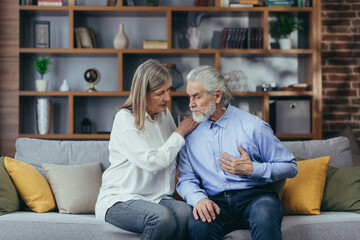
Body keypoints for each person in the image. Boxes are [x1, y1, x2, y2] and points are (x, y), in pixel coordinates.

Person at [176, 65, 298, 240]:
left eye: (197, 96)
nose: (191, 104)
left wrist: (252, 169)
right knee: (199, 224)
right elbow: (186, 179)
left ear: (217, 96)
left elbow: (291, 167)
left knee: (265, 214)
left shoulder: (253, 126)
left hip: (256, 198)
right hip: (215, 201)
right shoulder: (190, 135)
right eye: (189, 97)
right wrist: (199, 199)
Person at [95, 59, 198, 240]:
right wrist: (180, 131)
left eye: (168, 90)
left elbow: (174, 154)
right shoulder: (125, 119)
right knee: (161, 218)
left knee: (185, 213)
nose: (167, 98)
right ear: (143, 94)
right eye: (160, 93)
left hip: (156, 197)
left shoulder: (164, 115)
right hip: (120, 198)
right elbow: (153, 162)